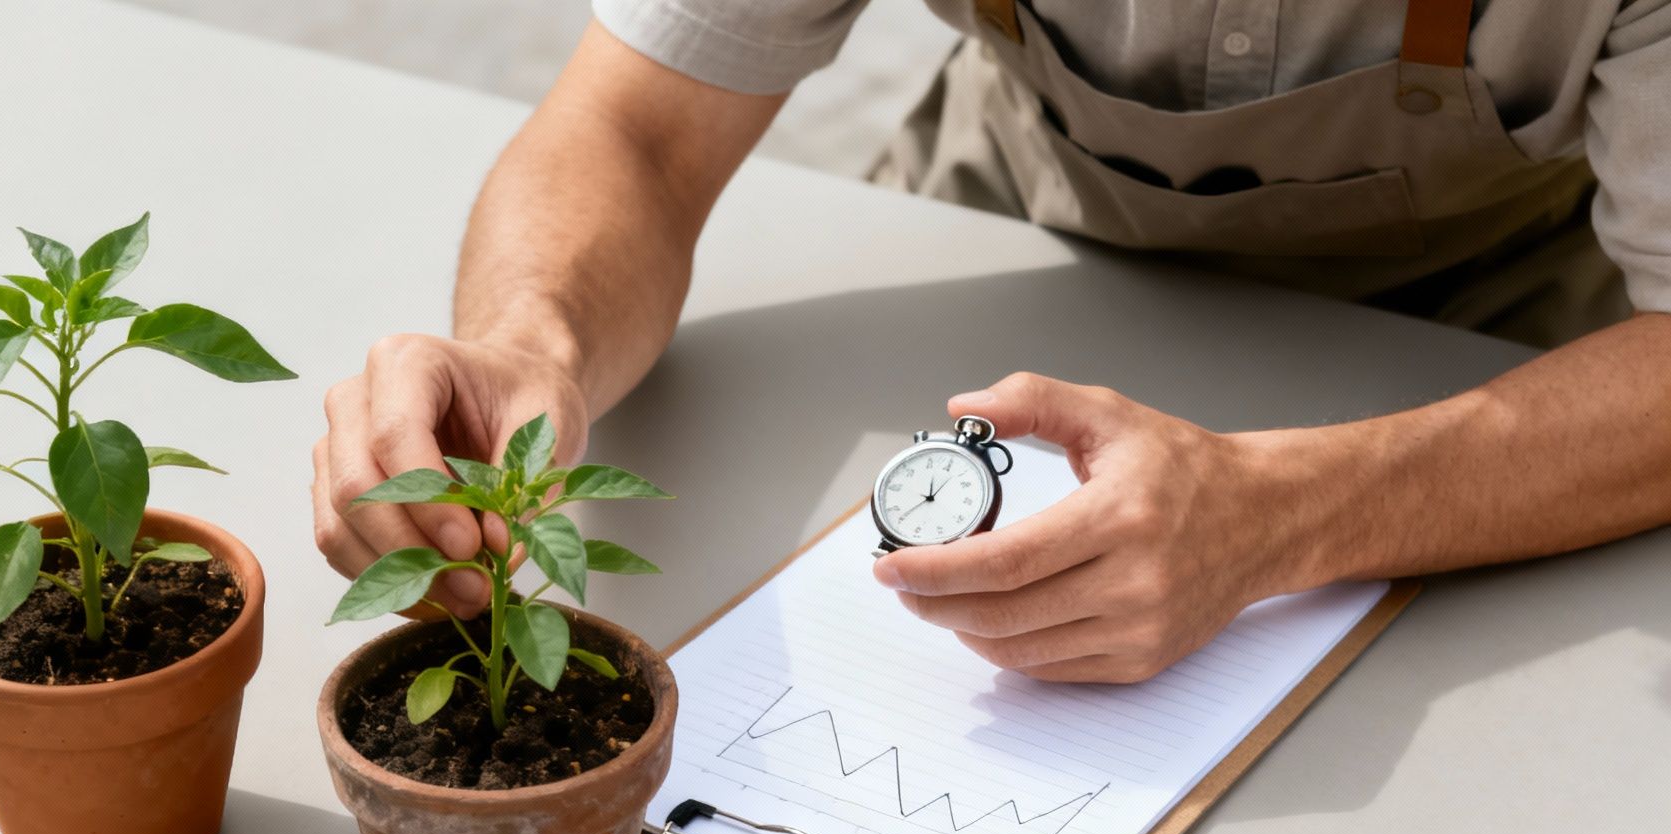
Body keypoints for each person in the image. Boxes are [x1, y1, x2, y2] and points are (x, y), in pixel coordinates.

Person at [311, 0, 1671, 683]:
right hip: (1002, 242)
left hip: (1466, 352)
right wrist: (530, 343)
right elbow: (637, 132)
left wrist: (1288, 515)